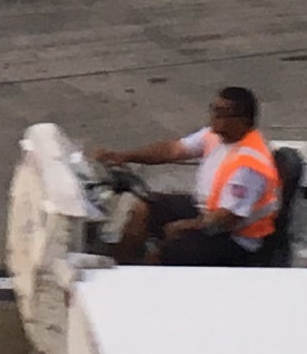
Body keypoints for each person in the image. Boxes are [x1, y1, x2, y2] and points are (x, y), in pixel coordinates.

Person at [92, 86, 280, 267]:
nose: (214, 116)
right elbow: (172, 150)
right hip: (205, 211)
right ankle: (121, 267)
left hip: (234, 237)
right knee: (141, 208)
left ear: (243, 120)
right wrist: (124, 156)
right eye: (214, 109)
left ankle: (150, 276)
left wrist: (186, 226)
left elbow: (227, 219)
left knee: (171, 250)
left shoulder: (249, 165)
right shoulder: (215, 136)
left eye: (221, 112)